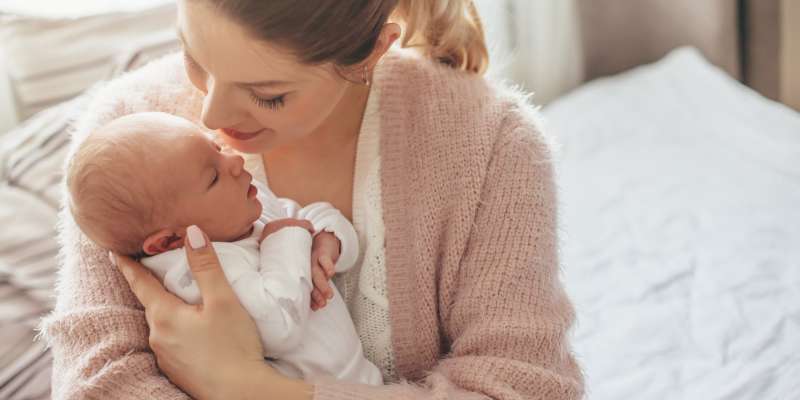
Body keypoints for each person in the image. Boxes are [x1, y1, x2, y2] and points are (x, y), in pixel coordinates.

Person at [42, 0, 585, 399]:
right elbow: (97, 381)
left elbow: (527, 387)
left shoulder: (491, 145)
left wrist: (245, 388)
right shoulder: (126, 136)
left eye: (268, 95)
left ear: (371, 52)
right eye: (194, 57)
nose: (211, 118)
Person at [64, 112, 382, 385]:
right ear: (169, 241)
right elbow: (280, 328)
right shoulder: (193, 274)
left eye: (217, 148)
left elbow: (309, 215)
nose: (234, 160)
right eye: (213, 176)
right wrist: (286, 239)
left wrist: (328, 240)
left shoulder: (245, 211)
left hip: (362, 380)